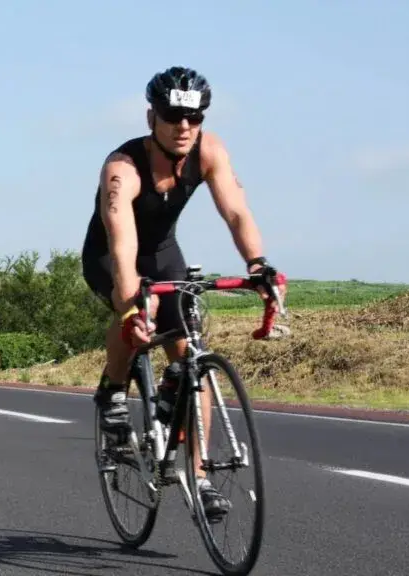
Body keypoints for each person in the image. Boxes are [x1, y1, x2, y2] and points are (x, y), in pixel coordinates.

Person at [81, 66, 285, 522]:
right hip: (112, 254)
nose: (184, 127)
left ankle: (200, 476)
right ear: (152, 116)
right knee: (137, 309)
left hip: (165, 254)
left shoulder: (209, 151)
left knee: (191, 355)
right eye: (174, 116)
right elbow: (122, 241)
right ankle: (113, 393)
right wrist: (132, 301)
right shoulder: (122, 168)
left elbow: (236, 212)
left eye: (195, 118)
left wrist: (257, 265)